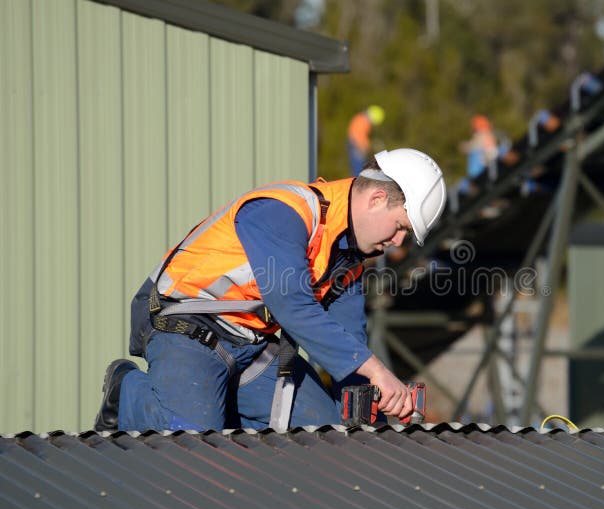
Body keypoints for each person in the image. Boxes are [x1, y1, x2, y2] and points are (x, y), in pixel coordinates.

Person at [94, 148, 446, 431]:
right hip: (185, 326)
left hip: (251, 347)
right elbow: (293, 307)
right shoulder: (281, 211)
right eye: (400, 227)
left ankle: (213, 404)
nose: (397, 243)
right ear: (376, 199)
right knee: (189, 443)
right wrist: (380, 373)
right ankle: (126, 390)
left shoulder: (350, 260)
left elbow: (347, 344)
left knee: (322, 437)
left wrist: (364, 421)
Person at [347, 105, 385, 176]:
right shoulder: (361, 121)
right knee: (358, 173)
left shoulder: (362, 120)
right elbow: (357, 137)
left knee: (360, 171)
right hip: (356, 148)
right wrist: (362, 149)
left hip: (356, 147)